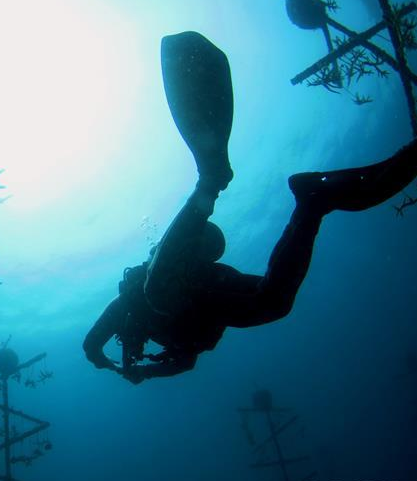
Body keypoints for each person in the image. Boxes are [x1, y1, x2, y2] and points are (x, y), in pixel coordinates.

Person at [83, 31, 417, 385]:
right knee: (274, 303)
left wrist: (109, 364)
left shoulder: (130, 305)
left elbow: (91, 345)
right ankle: (313, 202)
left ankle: (210, 181)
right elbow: (185, 362)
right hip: (206, 295)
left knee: (158, 292)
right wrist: (142, 372)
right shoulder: (173, 337)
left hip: (180, 279)